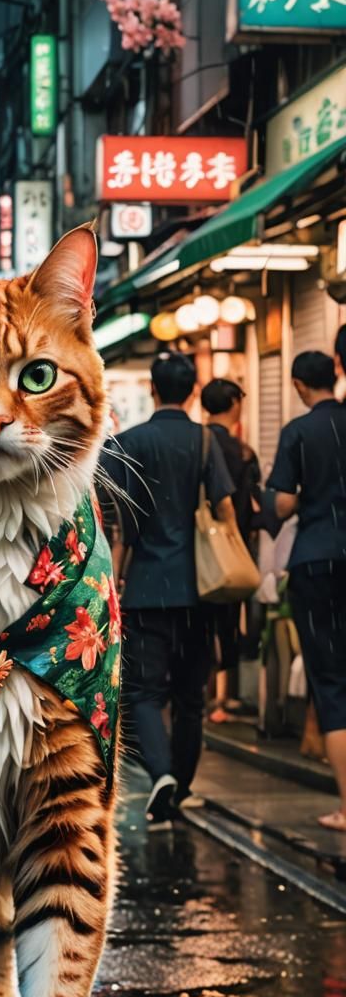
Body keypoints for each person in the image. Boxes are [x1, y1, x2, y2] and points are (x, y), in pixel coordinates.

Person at [98, 352, 236, 827]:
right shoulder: (203, 441)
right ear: (193, 392)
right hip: (199, 588)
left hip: (144, 588)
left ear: (153, 390)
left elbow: (112, 518)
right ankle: (180, 782)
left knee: (144, 693)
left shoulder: (128, 444)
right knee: (191, 695)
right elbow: (224, 509)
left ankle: (160, 775)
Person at [267, 350, 346, 832]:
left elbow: (280, 503)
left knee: (333, 683)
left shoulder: (299, 431)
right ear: (335, 374)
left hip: (317, 560)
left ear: (298, 385)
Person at [200, 378, 261, 723]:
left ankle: (206, 693)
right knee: (229, 621)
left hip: (196, 548)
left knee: (202, 622)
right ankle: (226, 697)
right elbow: (248, 504)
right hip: (232, 546)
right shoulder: (241, 452)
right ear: (235, 403)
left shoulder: (197, 442)